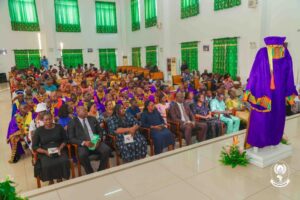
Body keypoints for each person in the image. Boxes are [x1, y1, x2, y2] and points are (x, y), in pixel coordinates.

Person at [243, 36, 298, 148]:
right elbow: (289, 76)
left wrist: (250, 90)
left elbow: (254, 74)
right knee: (276, 117)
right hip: (279, 94)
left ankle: (259, 142)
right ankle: (273, 140)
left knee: (263, 118)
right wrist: (289, 93)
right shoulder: (285, 52)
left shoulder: (263, 52)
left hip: (264, 93)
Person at [67, 106, 111, 174]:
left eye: (86, 110)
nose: (86, 112)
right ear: (78, 112)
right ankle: (90, 172)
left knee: (106, 149)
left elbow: (100, 131)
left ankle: (101, 170)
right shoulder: (72, 122)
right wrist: (84, 142)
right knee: (82, 155)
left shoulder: (92, 119)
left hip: (95, 141)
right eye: (84, 111)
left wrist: (98, 139)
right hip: (83, 144)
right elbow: (71, 138)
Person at [32, 112, 70, 184]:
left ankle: (59, 177)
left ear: (52, 118)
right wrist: (45, 152)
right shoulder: (39, 130)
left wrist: (60, 148)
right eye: (46, 120)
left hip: (59, 148)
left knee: (63, 161)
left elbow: (65, 139)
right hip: (45, 150)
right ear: (43, 120)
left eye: (50, 119)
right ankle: (50, 179)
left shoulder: (59, 127)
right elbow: (35, 146)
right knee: (47, 164)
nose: (48, 121)